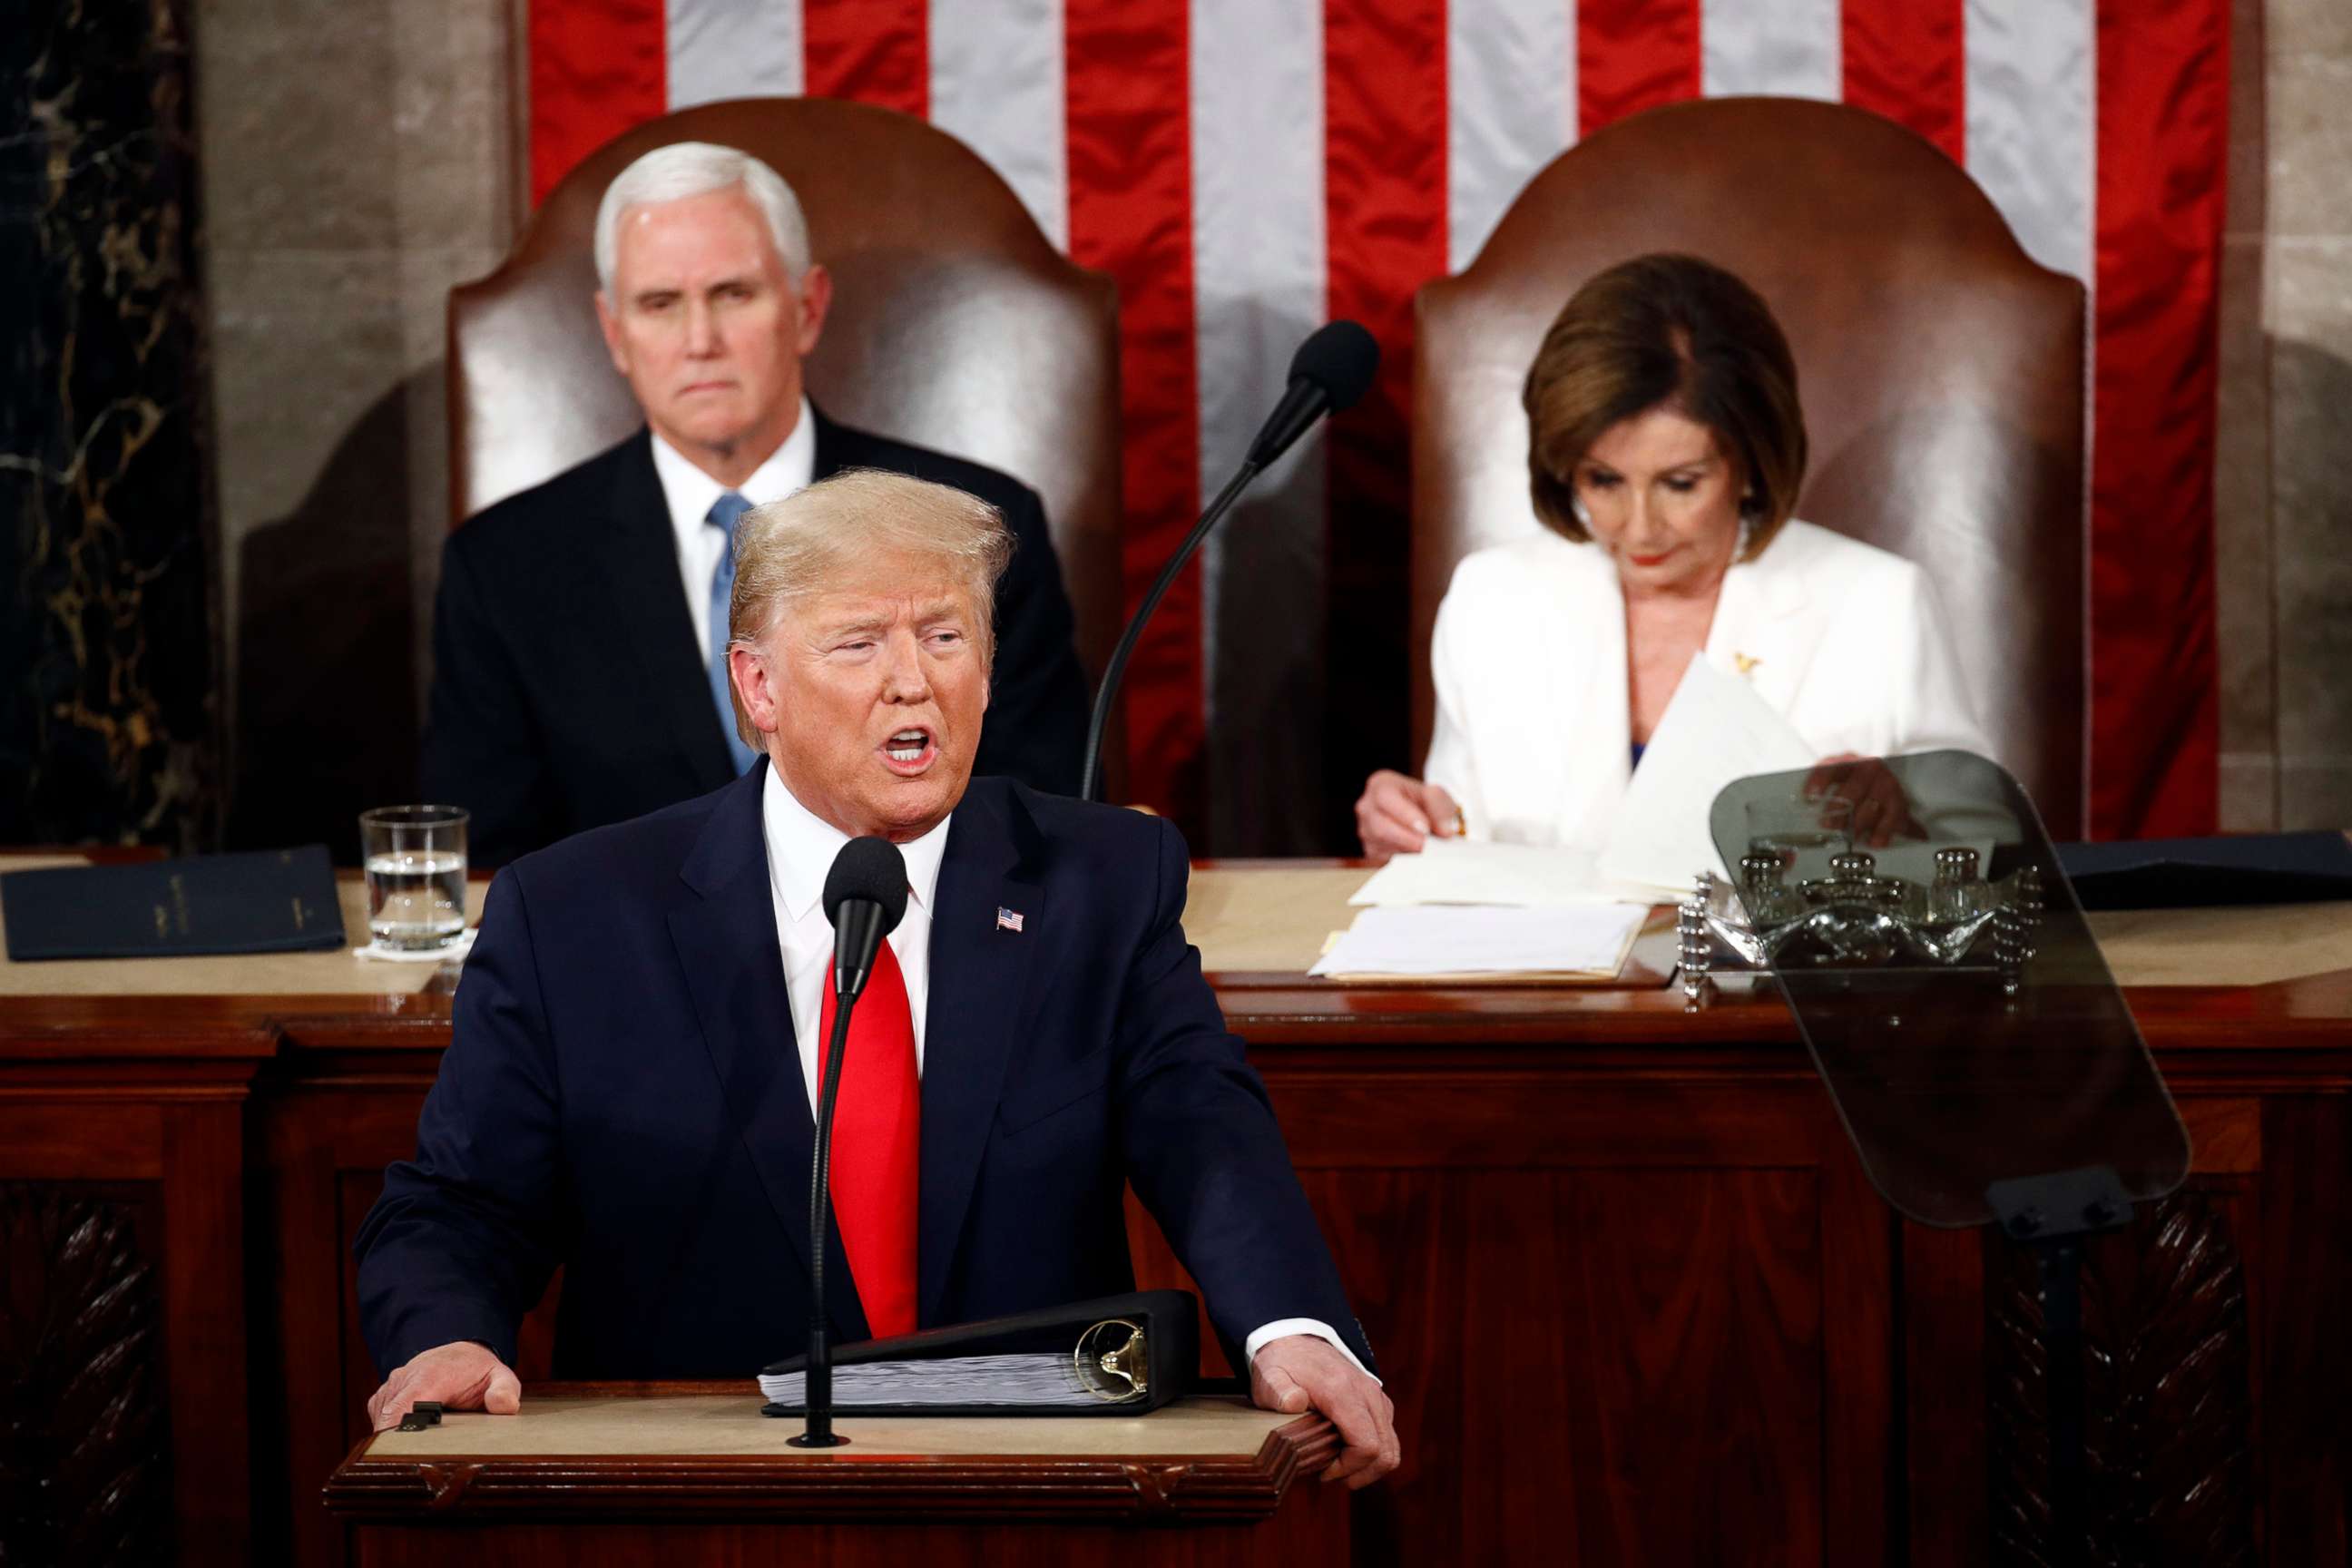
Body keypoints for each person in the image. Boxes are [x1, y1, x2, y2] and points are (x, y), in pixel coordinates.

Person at [358, 471, 1400, 1487]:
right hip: (697, 1493)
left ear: (988, 671)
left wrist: (1288, 1322)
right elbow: (460, 1204)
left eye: (945, 638)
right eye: (860, 644)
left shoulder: (1103, 883)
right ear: (758, 687)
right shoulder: (577, 915)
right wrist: (447, 1339)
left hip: (1030, 1488)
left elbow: (1202, 1128)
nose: (914, 681)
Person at [424, 142, 1091, 867]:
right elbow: (495, 861)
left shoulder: (976, 526)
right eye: (659, 304)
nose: (700, 341)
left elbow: (1039, 816)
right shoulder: (506, 565)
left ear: (807, 308)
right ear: (616, 334)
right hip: (628, 967)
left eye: (733, 294)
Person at [1357, 253, 1992, 858]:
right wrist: (1414, 824)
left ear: (1749, 464)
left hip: (1770, 975)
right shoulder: (1492, 598)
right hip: (1550, 974)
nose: (1639, 529)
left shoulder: (1878, 604)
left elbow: (1989, 851)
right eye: (1603, 481)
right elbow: (1463, 833)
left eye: (1680, 484)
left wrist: (1903, 815)